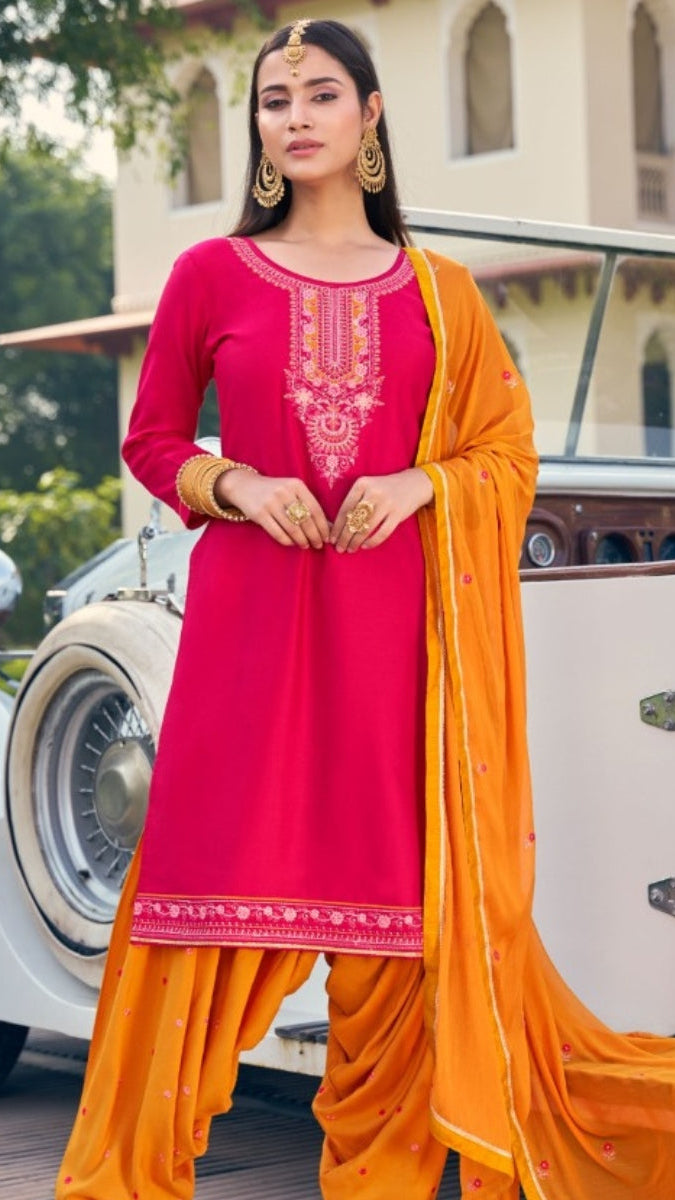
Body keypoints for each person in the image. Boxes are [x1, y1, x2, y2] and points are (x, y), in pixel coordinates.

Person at [57, 18, 675, 1200]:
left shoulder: (438, 296)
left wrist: (420, 482)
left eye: (321, 93)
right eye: (273, 98)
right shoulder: (210, 276)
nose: (294, 117)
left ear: (371, 115)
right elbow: (152, 439)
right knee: (196, 904)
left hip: (400, 650)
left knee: (393, 930)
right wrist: (234, 480)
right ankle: (126, 1179)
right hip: (249, 637)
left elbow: (505, 451)